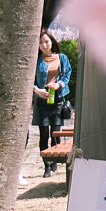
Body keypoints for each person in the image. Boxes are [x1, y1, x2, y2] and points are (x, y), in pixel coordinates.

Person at [33, 30, 72, 176]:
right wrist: (37, 90)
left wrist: (59, 85)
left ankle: (55, 161)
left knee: (56, 133)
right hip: (41, 100)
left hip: (57, 99)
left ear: (52, 42)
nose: (44, 45)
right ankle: (47, 166)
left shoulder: (61, 58)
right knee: (43, 134)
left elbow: (67, 74)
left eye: (46, 41)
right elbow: (30, 80)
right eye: (41, 42)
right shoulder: (36, 60)